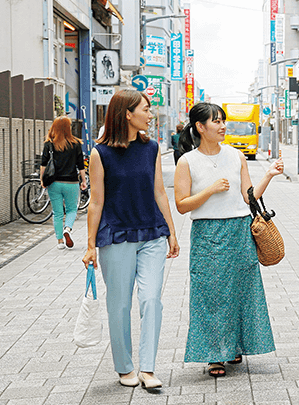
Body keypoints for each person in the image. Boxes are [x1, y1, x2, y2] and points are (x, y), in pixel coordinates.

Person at [174, 102, 283, 378]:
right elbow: (182, 205)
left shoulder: (236, 157)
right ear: (200, 127)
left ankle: (233, 347)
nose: (223, 126)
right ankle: (214, 355)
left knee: (240, 290)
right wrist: (210, 189)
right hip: (207, 234)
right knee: (210, 294)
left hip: (239, 230)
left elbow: (249, 198)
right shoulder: (187, 161)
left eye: (223, 121)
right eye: (216, 121)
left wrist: (268, 175)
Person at [82, 89, 180, 389]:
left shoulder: (151, 148)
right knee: (119, 304)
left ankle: (148, 369)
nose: (150, 115)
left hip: (151, 232)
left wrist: (172, 231)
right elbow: (95, 202)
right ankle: (125, 367)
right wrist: (89, 245)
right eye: (146, 109)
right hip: (116, 236)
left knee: (152, 299)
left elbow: (160, 191)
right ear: (127, 114)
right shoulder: (101, 153)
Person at [40, 116, 87, 250]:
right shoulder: (76, 144)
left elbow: (43, 164)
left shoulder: (49, 144)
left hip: (54, 183)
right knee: (72, 209)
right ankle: (68, 229)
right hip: (71, 182)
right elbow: (81, 165)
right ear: (68, 128)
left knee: (57, 212)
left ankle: (60, 241)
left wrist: (42, 179)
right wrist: (83, 181)